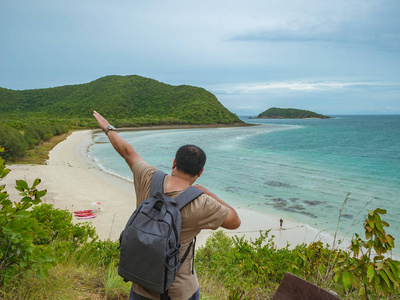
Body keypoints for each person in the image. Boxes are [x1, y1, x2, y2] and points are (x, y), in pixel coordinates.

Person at [93, 111, 241, 300]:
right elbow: (234, 220)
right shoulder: (203, 202)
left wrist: (107, 128)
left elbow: (127, 152)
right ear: (201, 171)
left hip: (141, 285)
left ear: (174, 162)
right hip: (179, 292)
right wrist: (207, 192)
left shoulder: (148, 177)